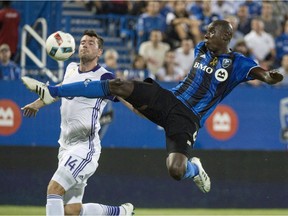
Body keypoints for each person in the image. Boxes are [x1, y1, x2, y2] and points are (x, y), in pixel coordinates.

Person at [22, 20, 284, 194]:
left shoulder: (237, 63)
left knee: (176, 170)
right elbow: (204, 47)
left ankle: (196, 170)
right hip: (168, 98)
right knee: (117, 84)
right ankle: (51, 92)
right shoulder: (201, 47)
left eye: (211, 31)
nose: (205, 35)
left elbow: (261, 74)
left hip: (188, 119)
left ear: (226, 35)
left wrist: (269, 76)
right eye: (205, 31)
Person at [21, 30, 134, 216]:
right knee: (72, 211)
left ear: (99, 52)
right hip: (65, 146)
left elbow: (126, 98)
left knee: (54, 189)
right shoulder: (71, 69)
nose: (85, 44)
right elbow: (58, 91)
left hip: (85, 147)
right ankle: (120, 212)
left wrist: (148, 110)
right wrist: (37, 104)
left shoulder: (105, 77)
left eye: (91, 43)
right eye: (82, 42)